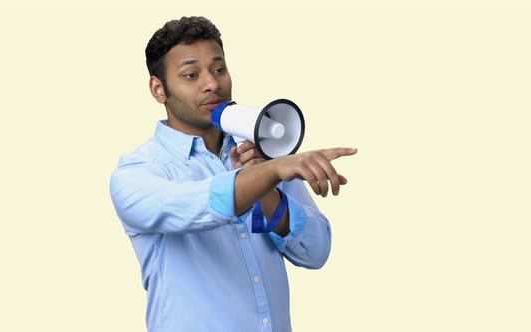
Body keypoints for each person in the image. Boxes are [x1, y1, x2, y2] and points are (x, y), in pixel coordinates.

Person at [109, 16, 357, 332]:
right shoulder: (137, 173)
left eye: (219, 69)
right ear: (159, 89)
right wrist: (269, 173)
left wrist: (267, 188)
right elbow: (200, 203)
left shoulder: (259, 156)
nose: (212, 83)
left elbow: (316, 252)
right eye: (191, 74)